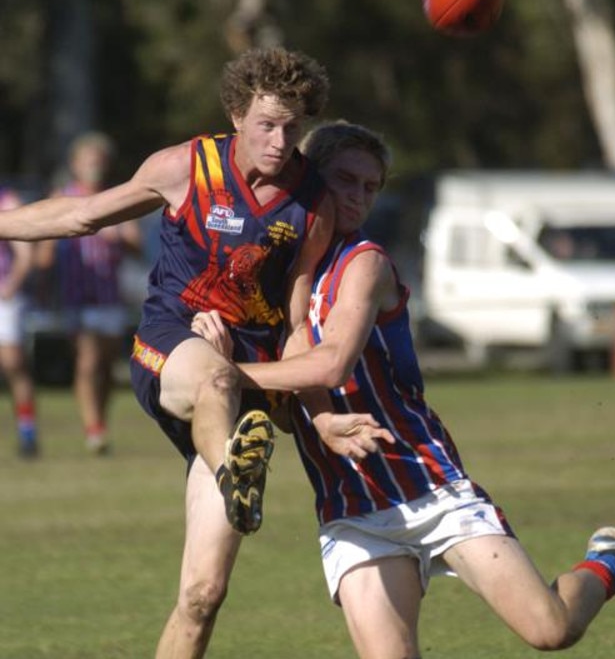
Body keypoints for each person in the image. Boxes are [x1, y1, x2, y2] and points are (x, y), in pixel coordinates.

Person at [191, 121, 615, 658]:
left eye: (370, 187)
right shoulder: (272, 277)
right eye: (344, 181)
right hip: (349, 507)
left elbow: (329, 366)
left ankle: (609, 562)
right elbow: (289, 415)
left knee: (550, 630)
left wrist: (225, 372)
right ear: (308, 180)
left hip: (426, 481)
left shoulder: (365, 263)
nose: (357, 197)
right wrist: (216, 347)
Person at [0, 47, 362, 659]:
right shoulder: (184, 167)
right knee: (215, 381)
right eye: (267, 124)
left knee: (202, 594)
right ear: (236, 113)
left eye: (293, 127)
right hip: (170, 348)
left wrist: (320, 413)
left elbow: (299, 321)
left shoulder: (313, 202)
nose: (280, 141)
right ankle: (234, 471)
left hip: (247, 386)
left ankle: (232, 471)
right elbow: (82, 216)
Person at [37, 131, 143, 455]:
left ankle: (101, 420)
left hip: (108, 296)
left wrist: (118, 237)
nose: (93, 168)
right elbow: (43, 252)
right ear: (75, 165)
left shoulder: (116, 198)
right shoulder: (63, 197)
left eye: (98, 162)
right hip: (76, 296)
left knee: (107, 365)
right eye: (88, 162)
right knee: (87, 360)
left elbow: (137, 246)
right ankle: (93, 428)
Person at [0, 188, 38, 458]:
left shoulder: (7, 200)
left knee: (13, 363)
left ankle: (27, 433)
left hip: (4, 298)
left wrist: (11, 283)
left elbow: (25, 254)